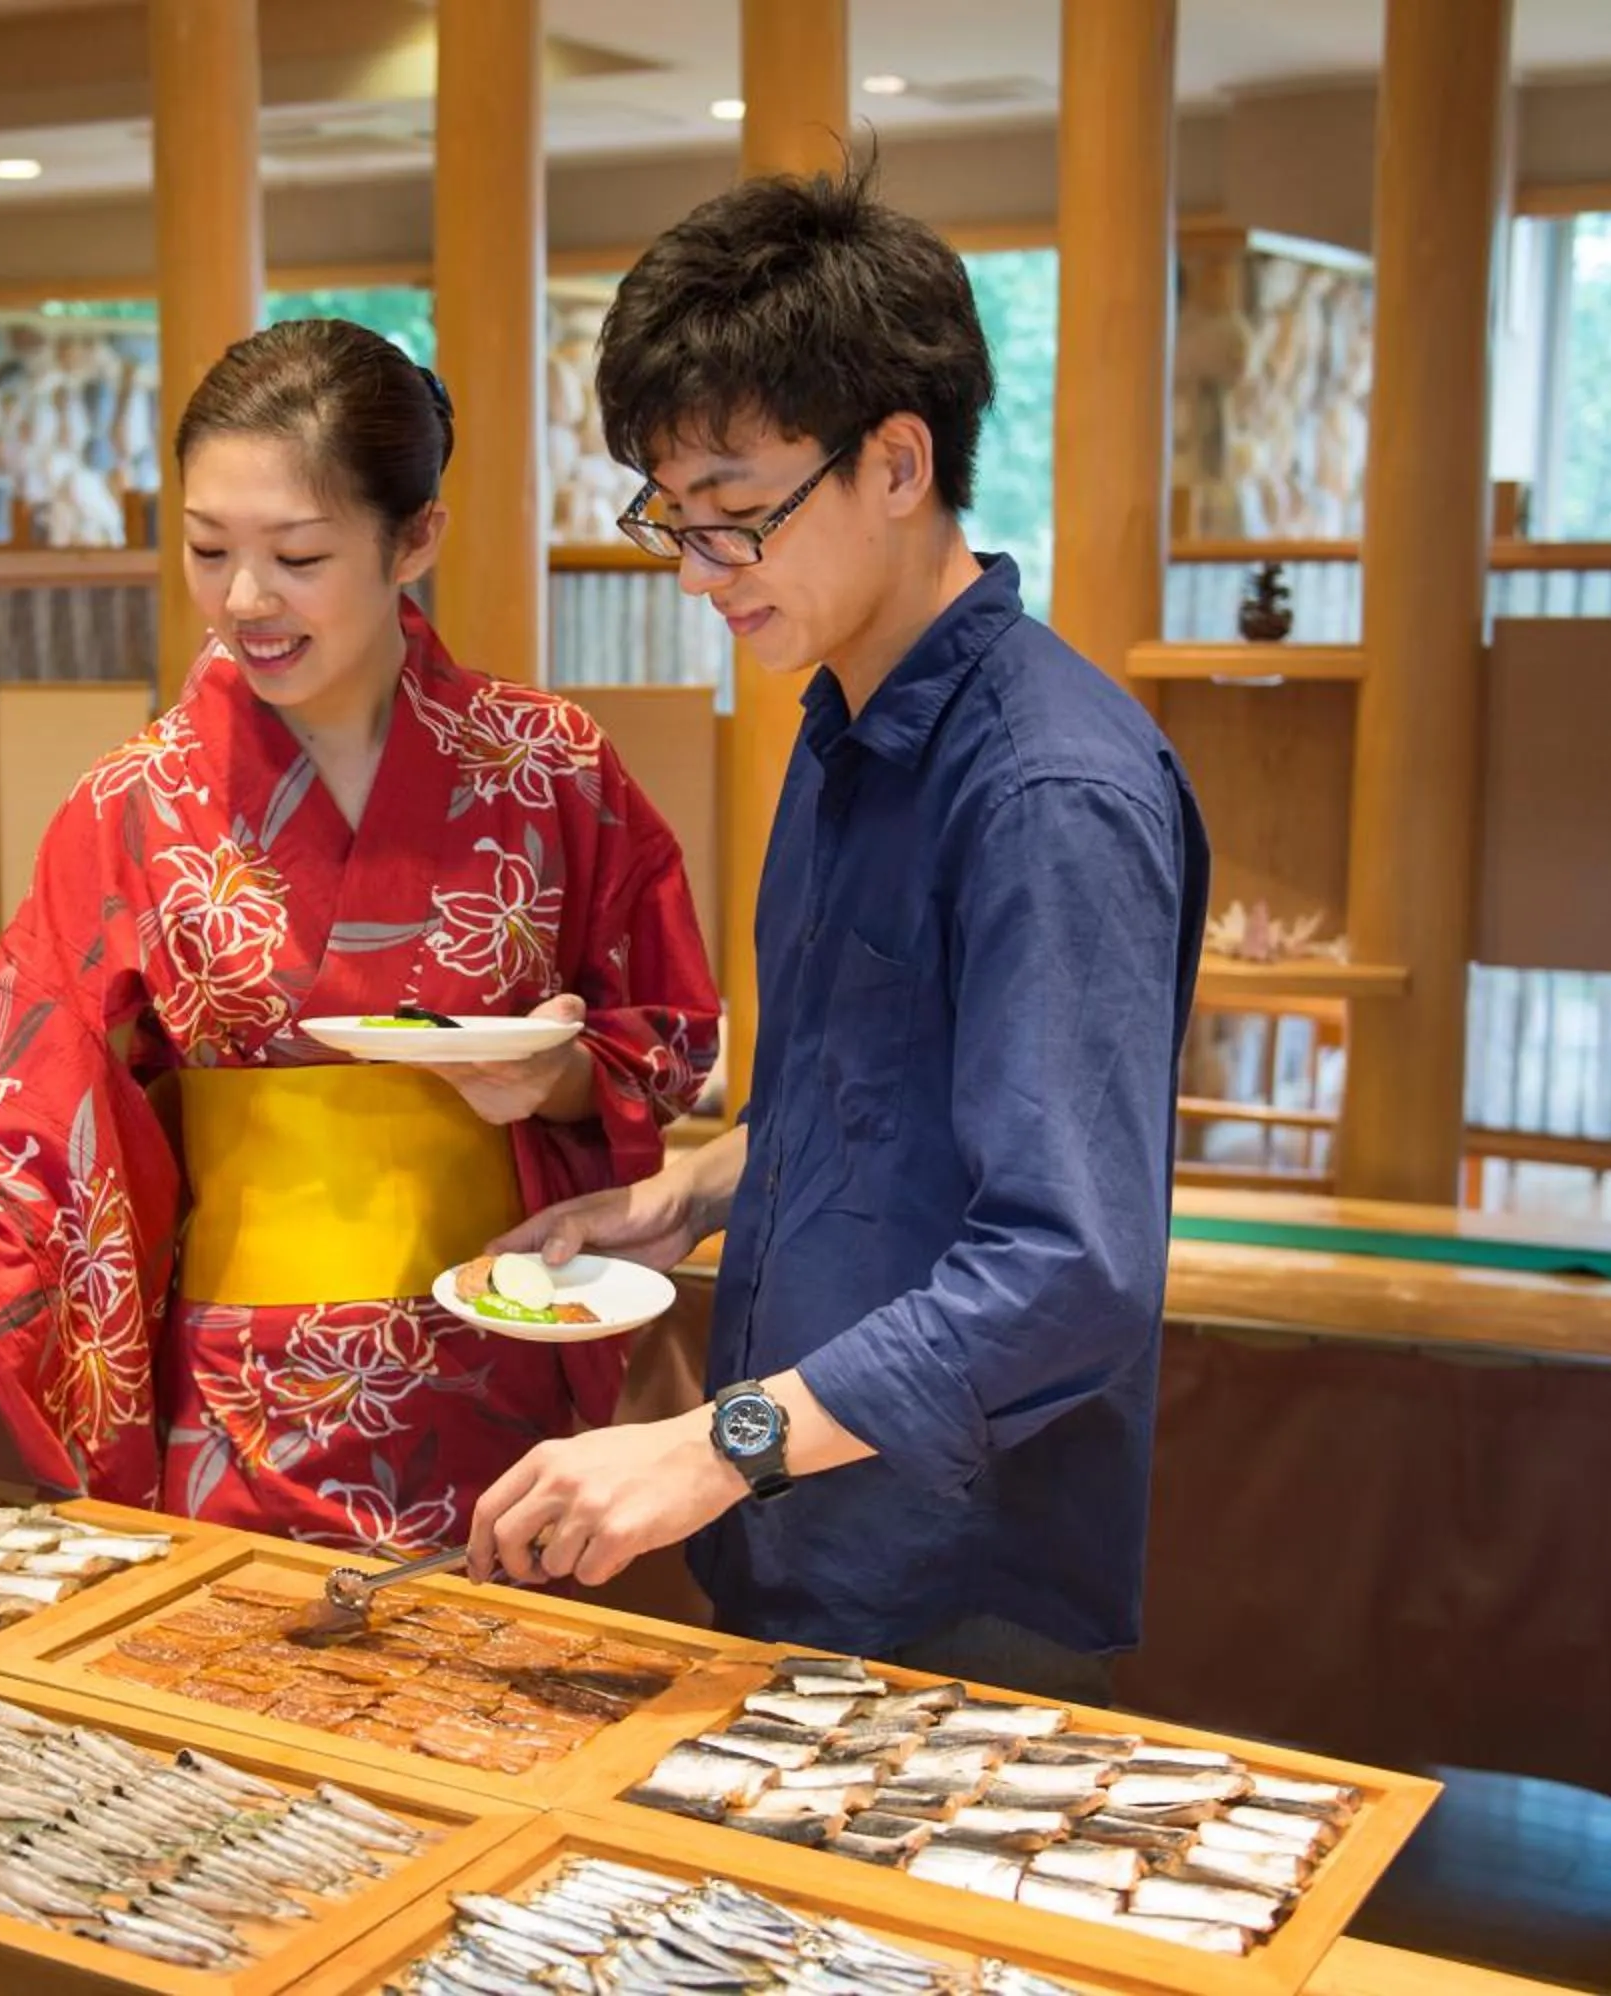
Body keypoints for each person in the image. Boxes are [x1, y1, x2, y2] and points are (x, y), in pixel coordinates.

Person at [0, 320, 719, 1555]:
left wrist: (552, 1079)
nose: (244, 601)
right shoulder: (134, 805)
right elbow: (15, 1131)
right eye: (207, 548)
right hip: (244, 1400)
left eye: (298, 555)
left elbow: (664, 1037)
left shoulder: (547, 768)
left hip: (507, 1363)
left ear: (416, 538)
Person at [465, 167, 1211, 1702]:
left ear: (896, 461)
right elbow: (875, 1109)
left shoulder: (1046, 789)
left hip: (955, 1581)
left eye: (736, 519)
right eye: (672, 518)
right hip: (803, 1540)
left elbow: (1069, 1270)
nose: (694, 570)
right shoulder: (838, 722)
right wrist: (681, 1197)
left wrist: (715, 1440)